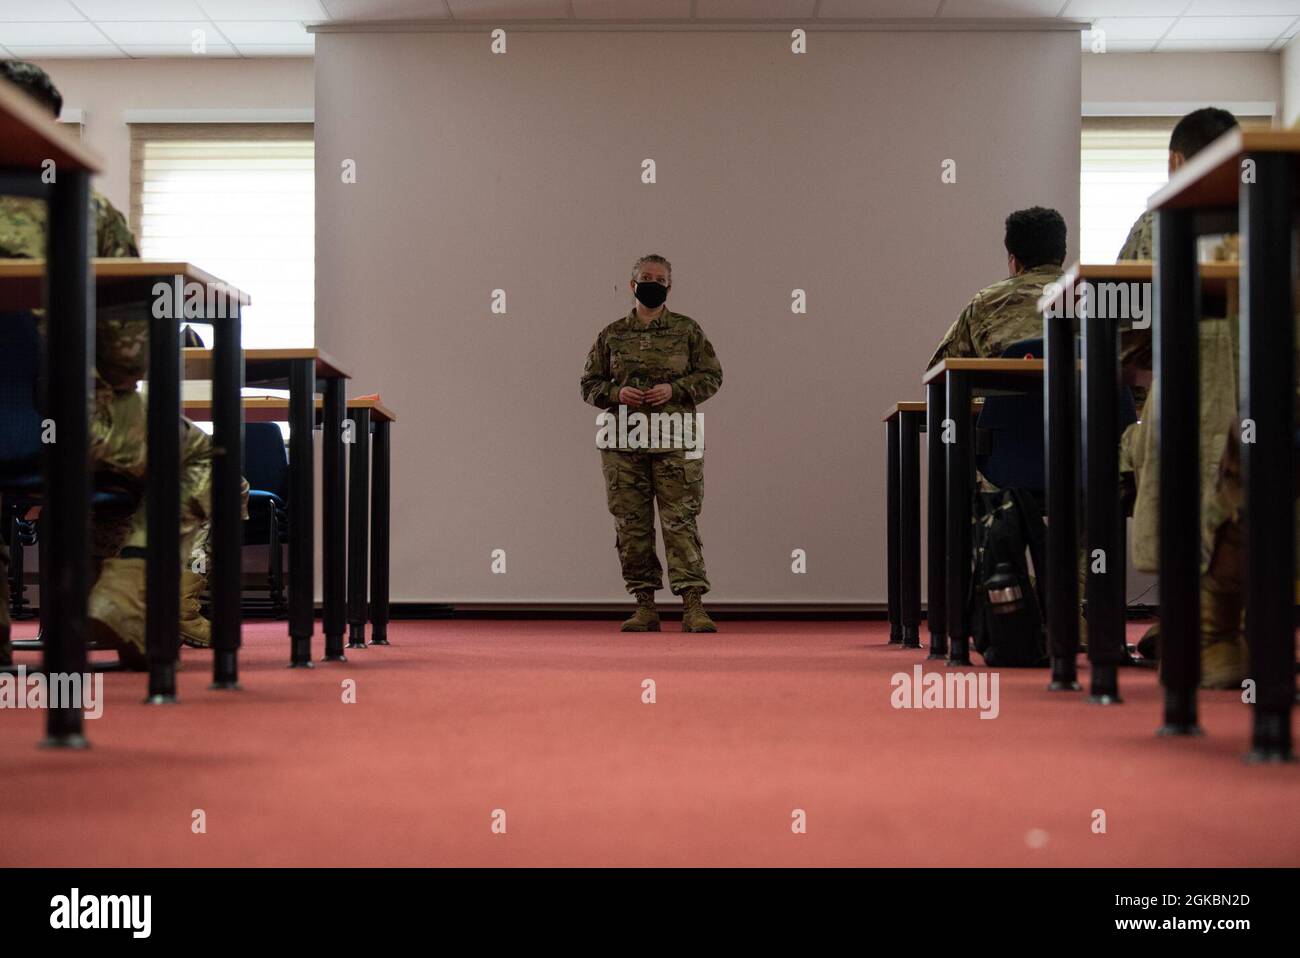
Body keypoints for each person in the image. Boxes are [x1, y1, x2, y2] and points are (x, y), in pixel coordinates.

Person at [0, 60, 240, 670]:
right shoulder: (83, 209)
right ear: (49, 128)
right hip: (65, 418)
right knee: (195, 461)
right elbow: (129, 352)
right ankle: (124, 601)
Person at [1116, 107, 1247, 688]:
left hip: (1192, 388)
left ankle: (1202, 627)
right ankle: (1214, 624)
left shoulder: (1162, 218)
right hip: (1273, 393)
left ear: (1175, 161)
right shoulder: (1277, 212)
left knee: (1156, 443)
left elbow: (1122, 326)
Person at [580, 254, 723, 633]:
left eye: (660, 280)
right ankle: (644, 605)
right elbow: (588, 385)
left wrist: (675, 388)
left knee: (681, 522)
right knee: (632, 525)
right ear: (632, 285)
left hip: (677, 437)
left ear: (669, 287)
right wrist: (616, 392)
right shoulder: (611, 335)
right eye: (645, 278)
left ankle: (693, 605)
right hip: (623, 442)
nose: (652, 284)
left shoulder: (687, 330)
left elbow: (712, 376)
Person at [927, 206, 1066, 369]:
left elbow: (938, 375)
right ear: (1062, 256)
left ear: (1014, 262)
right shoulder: (1093, 298)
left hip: (1008, 393)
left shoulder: (986, 302)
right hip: (1078, 394)